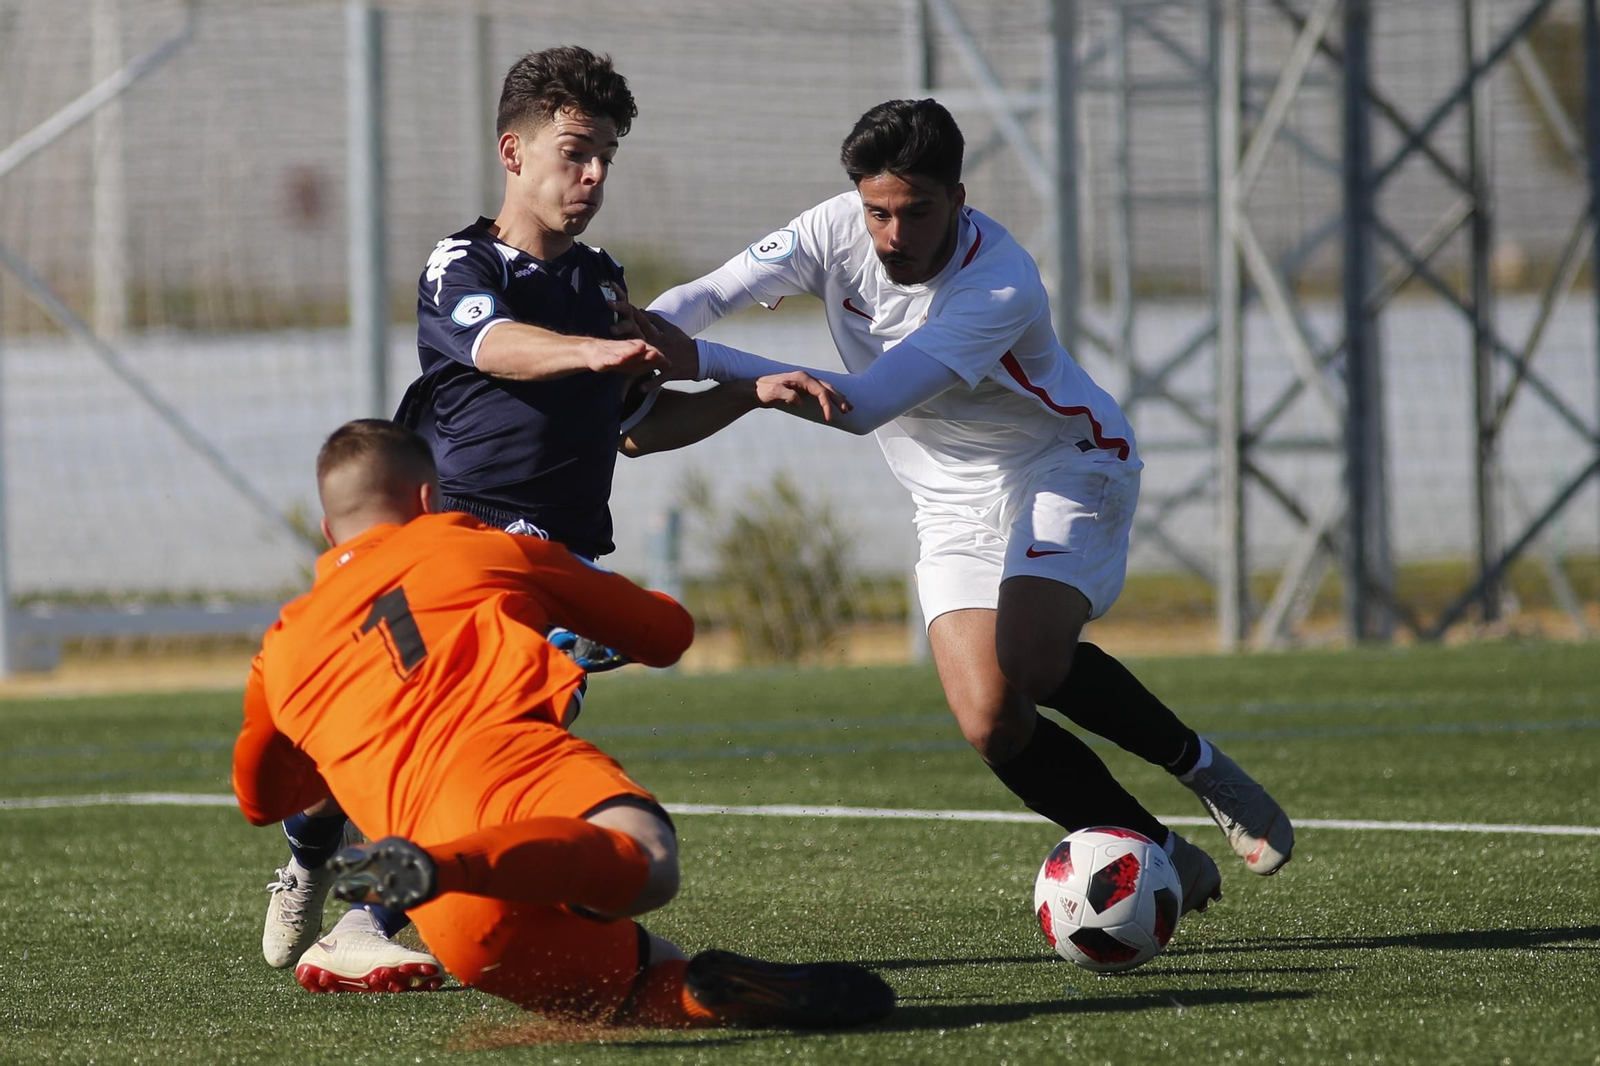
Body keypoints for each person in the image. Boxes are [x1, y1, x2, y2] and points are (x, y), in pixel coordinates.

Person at [261, 45, 838, 990]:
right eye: (576, 151)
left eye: (607, 155)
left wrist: (750, 395)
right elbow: (498, 347)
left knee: (504, 729)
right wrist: (592, 353)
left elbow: (640, 429)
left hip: (552, 554)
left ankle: (365, 911)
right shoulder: (463, 264)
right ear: (514, 152)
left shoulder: (602, 281)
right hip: (454, 543)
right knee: (384, 740)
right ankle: (317, 865)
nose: (595, 175)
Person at [639, 98, 1296, 914]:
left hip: (1066, 464)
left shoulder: (999, 284)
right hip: (948, 499)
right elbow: (704, 295)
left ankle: (1203, 769)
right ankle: (1159, 852)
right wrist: (635, 341)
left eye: (917, 212)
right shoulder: (829, 229)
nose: (893, 234)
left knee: (1031, 657)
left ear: (959, 199)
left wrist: (699, 360)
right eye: (877, 211)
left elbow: (867, 404)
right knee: (992, 721)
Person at [233, 419, 894, 1027]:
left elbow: (261, 801)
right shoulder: (479, 548)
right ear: (429, 497)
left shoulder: (279, 651)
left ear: (327, 530)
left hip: (455, 921)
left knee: (641, 987)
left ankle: (696, 991)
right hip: (513, 768)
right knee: (650, 863)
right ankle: (447, 864)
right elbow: (667, 633)